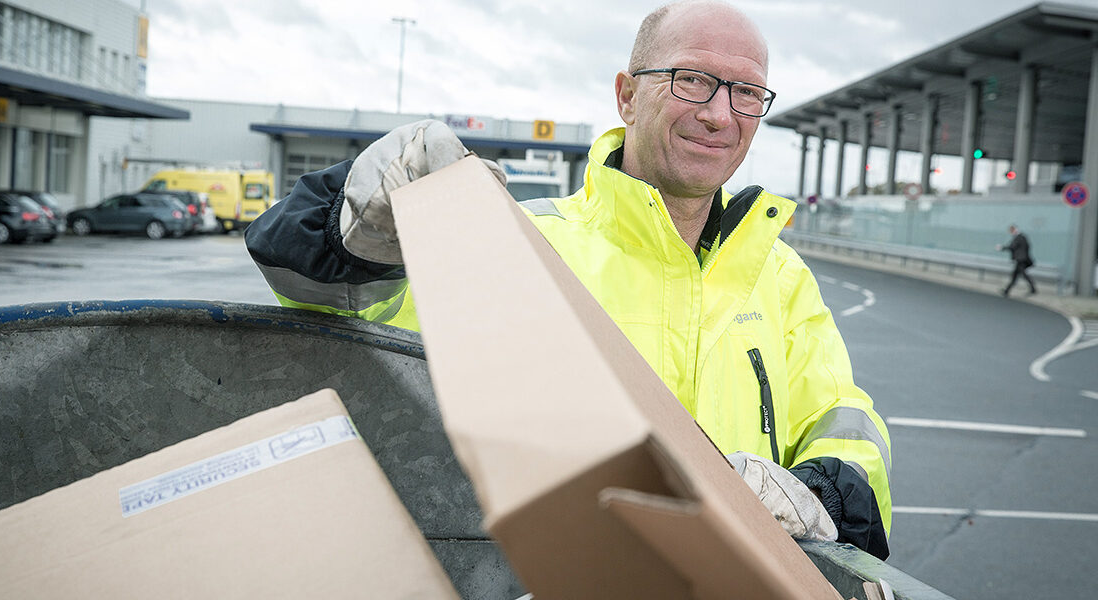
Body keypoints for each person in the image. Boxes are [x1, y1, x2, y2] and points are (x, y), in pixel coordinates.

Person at [246, 0, 891, 559]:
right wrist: (352, 233)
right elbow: (341, 318)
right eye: (693, 80)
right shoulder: (520, 241)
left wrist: (818, 495)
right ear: (627, 94)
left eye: (747, 92)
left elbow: (844, 419)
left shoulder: (779, 275)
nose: (721, 115)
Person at [998, 224, 1036, 296]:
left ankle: (1033, 289)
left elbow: (1012, 247)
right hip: (1022, 259)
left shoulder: (1018, 238)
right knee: (1016, 276)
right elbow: (1027, 247)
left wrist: (1002, 248)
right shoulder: (1023, 237)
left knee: (1021, 275)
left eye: (1011, 231)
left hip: (1020, 260)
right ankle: (1007, 290)